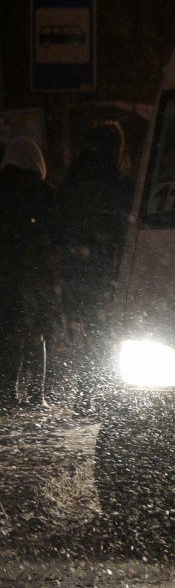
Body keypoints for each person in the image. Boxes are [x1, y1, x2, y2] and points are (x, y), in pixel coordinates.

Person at [56, 121, 134, 412]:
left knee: (89, 327)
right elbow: (123, 224)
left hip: (77, 265)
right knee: (105, 328)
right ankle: (101, 389)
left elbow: (59, 223)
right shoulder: (118, 183)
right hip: (107, 264)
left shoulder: (73, 181)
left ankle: (87, 389)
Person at [0, 137, 62, 408]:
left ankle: (6, 394)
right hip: (35, 269)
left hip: (5, 271)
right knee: (37, 331)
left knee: (10, 332)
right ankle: (38, 395)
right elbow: (53, 231)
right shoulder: (40, 190)